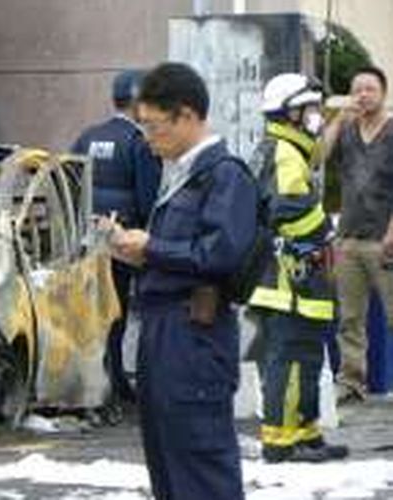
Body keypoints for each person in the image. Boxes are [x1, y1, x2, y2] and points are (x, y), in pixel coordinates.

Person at [106, 62, 250, 499]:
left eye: (152, 126)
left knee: (200, 467)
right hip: (164, 331)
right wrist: (129, 248)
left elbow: (221, 254)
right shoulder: (182, 174)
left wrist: (150, 248)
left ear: (186, 116)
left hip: (195, 334)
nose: (147, 139)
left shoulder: (224, 173)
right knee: (168, 466)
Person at [247, 73, 348, 463]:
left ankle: (305, 434)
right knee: (288, 360)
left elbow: (317, 155)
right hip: (289, 280)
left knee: (305, 358)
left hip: (296, 280)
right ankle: (280, 441)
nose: (315, 117)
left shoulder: (288, 148)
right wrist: (325, 232)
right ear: (289, 113)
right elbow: (290, 211)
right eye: (309, 109)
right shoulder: (285, 153)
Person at [72, 70, 161, 406]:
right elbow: (149, 198)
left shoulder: (88, 136)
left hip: (87, 239)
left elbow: (70, 178)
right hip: (123, 241)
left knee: (95, 313)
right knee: (118, 311)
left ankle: (101, 379)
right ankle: (116, 382)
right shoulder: (138, 142)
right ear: (139, 103)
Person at [324, 66, 393, 405]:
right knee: (350, 318)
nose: (363, 95)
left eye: (370, 89)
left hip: (385, 238)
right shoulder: (347, 129)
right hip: (348, 238)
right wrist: (337, 118)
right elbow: (317, 158)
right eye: (357, 89)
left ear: (384, 93)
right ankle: (351, 382)